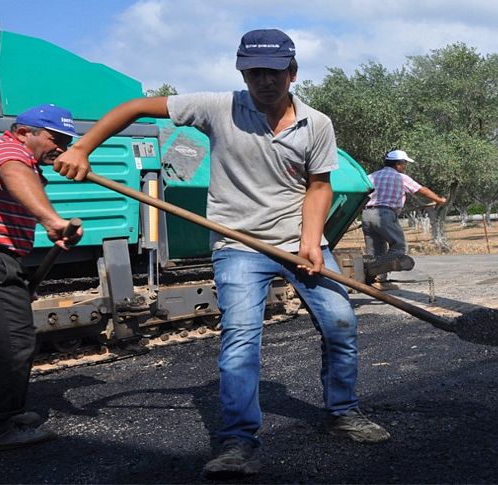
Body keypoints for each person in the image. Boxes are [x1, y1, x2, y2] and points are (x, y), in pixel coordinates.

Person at [53, 28, 390, 480]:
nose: (264, 81)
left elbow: (319, 185)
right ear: (242, 73)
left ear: (291, 73)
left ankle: (343, 412)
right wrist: (81, 147)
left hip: (299, 240)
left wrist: (311, 240)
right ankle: (239, 442)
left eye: (273, 72)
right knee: (240, 342)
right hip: (238, 245)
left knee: (341, 324)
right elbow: (134, 107)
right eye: (253, 73)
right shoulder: (219, 107)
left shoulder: (318, 123)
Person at [0, 104, 83, 451]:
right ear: (25, 132)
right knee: (11, 343)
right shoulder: (8, 150)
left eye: (66, 141)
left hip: (2, 256)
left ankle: (2, 414)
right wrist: (52, 220)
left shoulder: (6, 152)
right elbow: (13, 170)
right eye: (55, 138)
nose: (60, 147)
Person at [361, 149, 447, 290]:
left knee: (375, 250)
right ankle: (376, 271)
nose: (405, 166)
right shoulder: (401, 178)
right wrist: (439, 199)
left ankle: (378, 280)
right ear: (398, 164)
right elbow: (421, 190)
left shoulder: (371, 176)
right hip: (385, 214)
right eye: (404, 163)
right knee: (399, 246)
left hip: (366, 214)